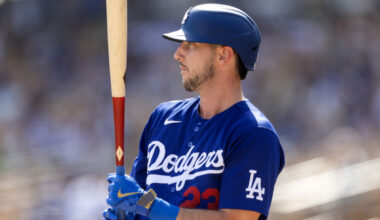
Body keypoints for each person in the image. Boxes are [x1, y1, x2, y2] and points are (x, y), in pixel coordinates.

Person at [103, 3, 285, 220]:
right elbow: (142, 198)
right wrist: (129, 212)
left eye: (190, 45)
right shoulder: (163, 118)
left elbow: (238, 219)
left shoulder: (254, 133)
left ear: (223, 55)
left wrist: (152, 207)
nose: (177, 54)